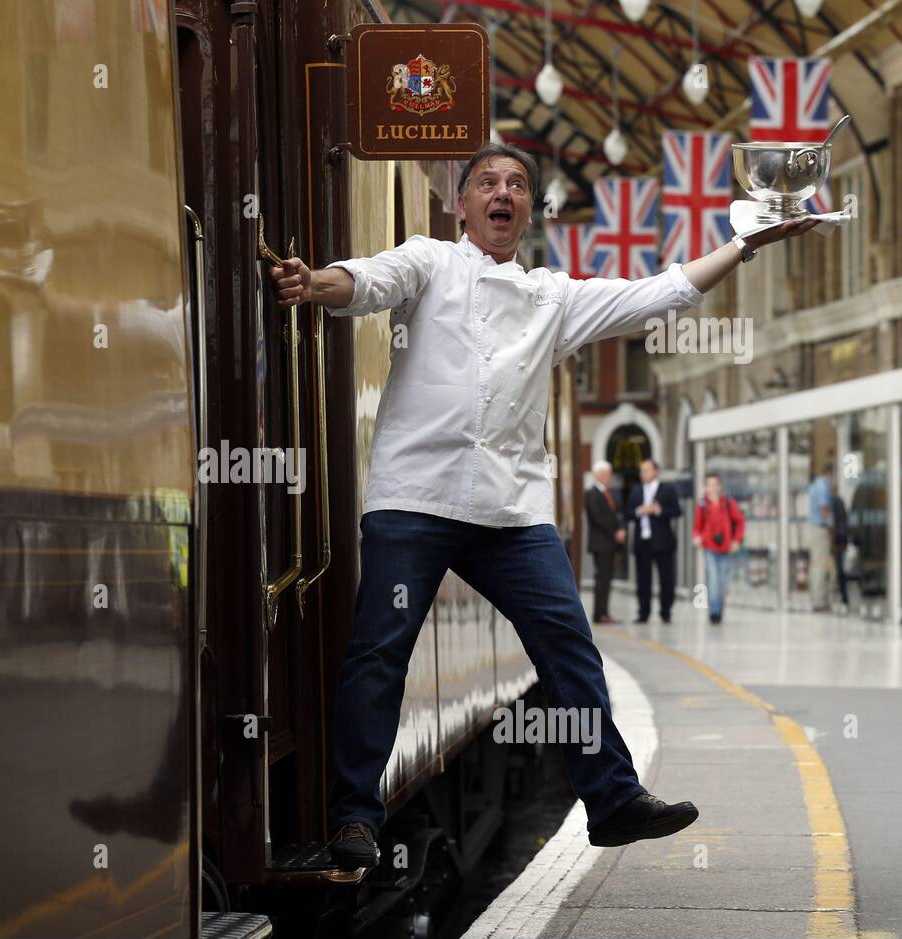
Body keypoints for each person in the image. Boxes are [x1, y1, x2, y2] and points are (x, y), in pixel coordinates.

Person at [267, 141, 816, 869]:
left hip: (510, 514)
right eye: (488, 182)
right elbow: (365, 280)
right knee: (379, 651)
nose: (503, 192)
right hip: (415, 500)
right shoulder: (428, 262)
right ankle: (356, 818)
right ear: (462, 204)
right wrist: (317, 283)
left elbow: (664, 290)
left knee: (568, 644)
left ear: (528, 209)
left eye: (518, 184)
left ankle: (613, 799)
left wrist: (744, 245)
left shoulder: (551, 298)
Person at [625, 458, 681, 624]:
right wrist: (639, 511)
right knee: (643, 580)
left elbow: (677, 511)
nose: (643, 473)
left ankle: (666, 611)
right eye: (642, 470)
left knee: (666, 578)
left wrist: (658, 510)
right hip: (643, 542)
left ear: (656, 471)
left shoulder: (667, 489)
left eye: (647, 470)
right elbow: (627, 513)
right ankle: (643, 612)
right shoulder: (635, 491)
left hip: (663, 541)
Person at [691, 473, 745, 624]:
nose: (712, 488)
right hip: (709, 547)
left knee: (722, 582)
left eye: (715, 485)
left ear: (719, 487)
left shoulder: (728, 503)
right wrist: (697, 536)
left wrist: (737, 540)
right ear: (705, 487)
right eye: (709, 485)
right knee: (713, 579)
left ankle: (719, 609)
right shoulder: (702, 504)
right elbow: (697, 526)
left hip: (726, 548)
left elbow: (740, 522)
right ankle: (714, 612)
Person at [585, 460, 625, 624]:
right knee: (602, 579)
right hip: (601, 543)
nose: (610, 477)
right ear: (600, 475)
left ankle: (604, 612)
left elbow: (614, 515)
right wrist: (615, 532)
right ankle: (599, 613)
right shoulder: (592, 494)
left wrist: (619, 530)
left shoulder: (606, 493)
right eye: (608, 473)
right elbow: (598, 518)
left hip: (609, 543)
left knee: (607, 579)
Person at [806, 461, 835, 612]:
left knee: (815, 564)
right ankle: (819, 602)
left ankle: (816, 599)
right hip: (820, 529)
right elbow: (824, 510)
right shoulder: (823, 486)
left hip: (813, 528)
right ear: (830, 474)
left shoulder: (814, 485)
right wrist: (831, 528)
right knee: (820, 566)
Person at [831, 487, 850, 609]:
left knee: (838, 569)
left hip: (837, 540)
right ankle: (843, 597)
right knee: (839, 569)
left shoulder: (835, 502)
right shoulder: (838, 501)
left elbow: (840, 523)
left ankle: (843, 597)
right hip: (840, 540)